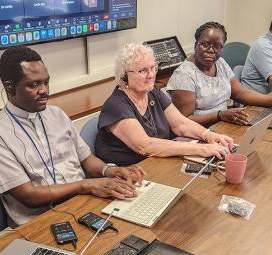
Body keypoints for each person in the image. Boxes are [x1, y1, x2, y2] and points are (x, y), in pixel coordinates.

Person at [0, 46, 145, 226]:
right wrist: (86, 185)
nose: (44, 91)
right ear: (9, 87)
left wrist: (111, 171)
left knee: (139, 224)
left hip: (84, 206)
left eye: (46, 82)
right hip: (39, 222)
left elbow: (87, 160)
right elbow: (29, 196)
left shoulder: (56, 114)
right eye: (33, 84)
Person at [94, 43, 234, 166]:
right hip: (131, 171)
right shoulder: (116, 106)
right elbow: (145, 146)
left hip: (158, 162)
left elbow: (181, 124)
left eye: (152, 68)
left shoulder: (153, 92)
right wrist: (202, 149)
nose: (150, 75)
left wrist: (208, 135)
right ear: (124, 76)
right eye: (143, 71)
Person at [167, 22, 272, 127]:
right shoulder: (184, 75)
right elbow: (184, 121)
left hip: (223, 124)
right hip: (198, 132)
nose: (211, 50)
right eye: (205, 44)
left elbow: (240, 93)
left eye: (217, 46)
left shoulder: (220, 63)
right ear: (196, 44)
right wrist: (219, 115)